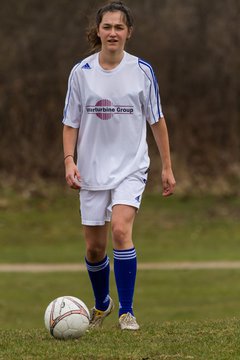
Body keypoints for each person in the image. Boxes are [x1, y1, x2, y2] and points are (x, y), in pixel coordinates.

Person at [62, 1, 176, 331]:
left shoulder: (142, 70)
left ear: (129, 33)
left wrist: (167, 166)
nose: (113, 32)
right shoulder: (81, 72)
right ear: (97, 31)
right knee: (94, 248)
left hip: (131, 165)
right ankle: (102, 305)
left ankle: (127, 311)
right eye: (107, 27)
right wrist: (69, 161)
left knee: (121, 231)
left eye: (119, 27)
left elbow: (157, 120)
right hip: (92, 169)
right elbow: (70, 122)